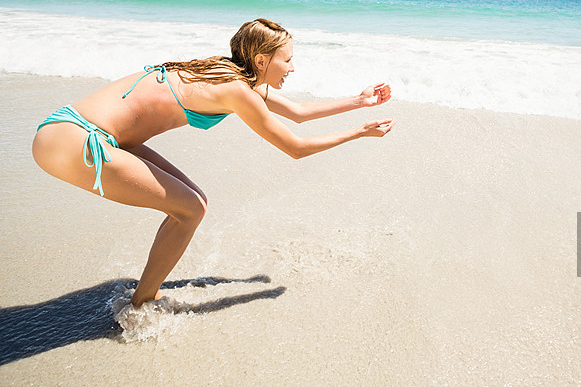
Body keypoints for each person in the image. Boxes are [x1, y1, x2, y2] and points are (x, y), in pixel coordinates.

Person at [32, 18, 394, 308]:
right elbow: (295, 147)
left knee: (194, 204)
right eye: (288, 59)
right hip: (76, 139)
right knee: (190, 209)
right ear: (262, 61)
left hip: (67, 130)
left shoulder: (225, 73)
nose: (293, 68)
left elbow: (297, 113)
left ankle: (145, 294)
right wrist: (358, 133)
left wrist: (358, 101)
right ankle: (142, 303)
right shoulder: (236, 89)